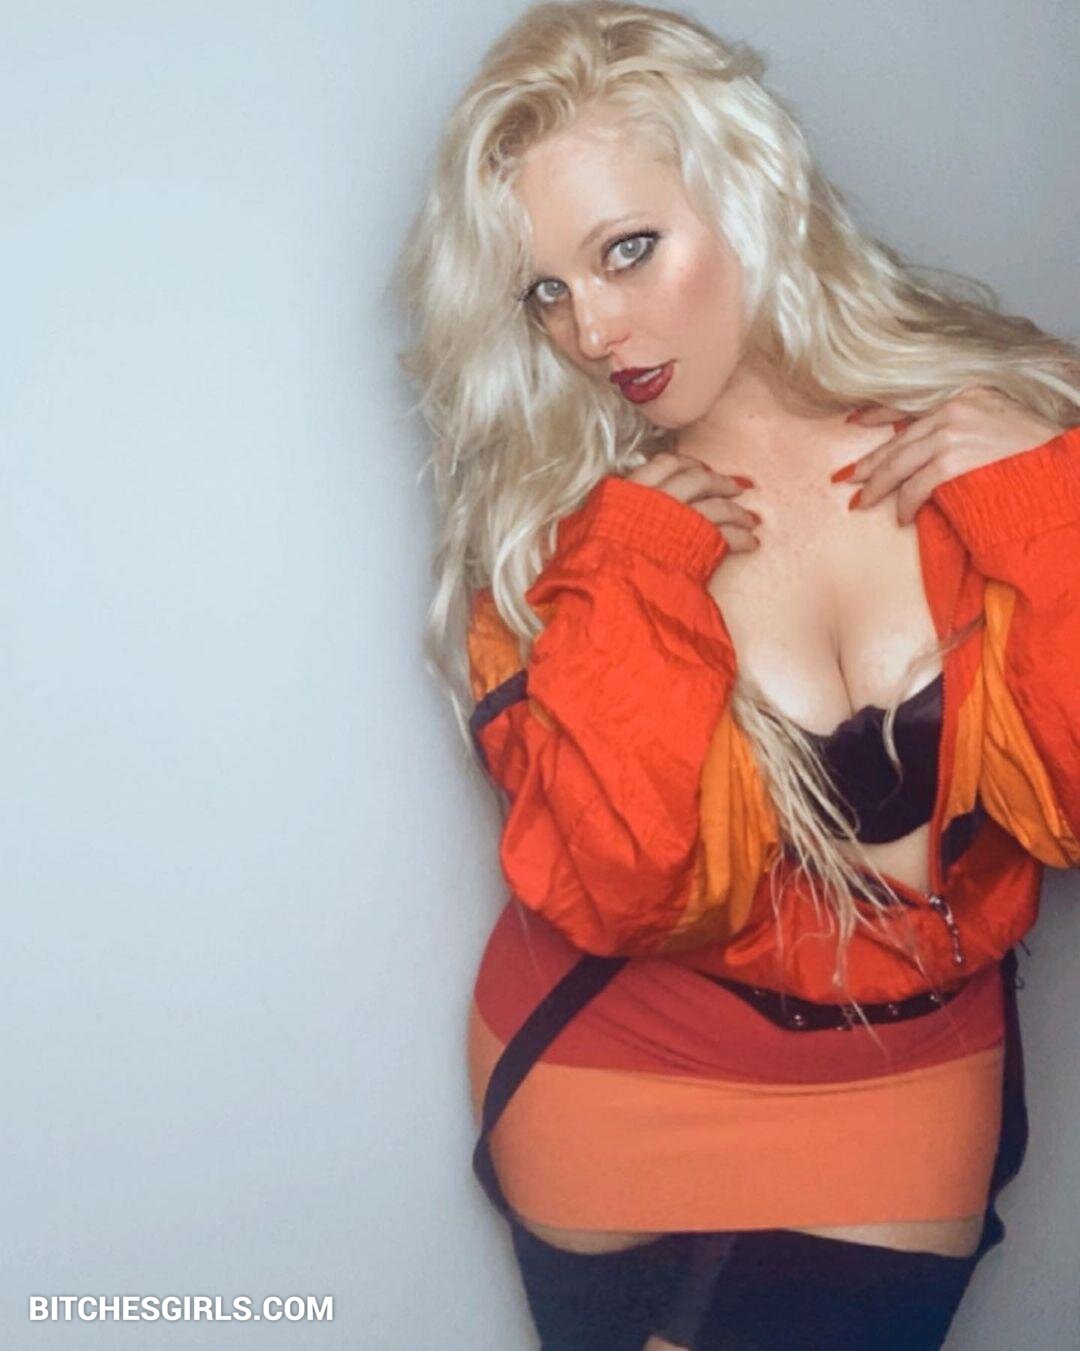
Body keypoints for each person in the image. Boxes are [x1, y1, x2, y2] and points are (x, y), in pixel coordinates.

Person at [393, 2, 1080, 1346]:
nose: (594, 330)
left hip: (906, 1087)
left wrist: (1043, 505)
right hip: (604, 1080)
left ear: (749, 191)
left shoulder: (1015, 429)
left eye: (628, 250)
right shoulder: (562, 542)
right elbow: (626, 889)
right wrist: (636, 573)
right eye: (545, 291)